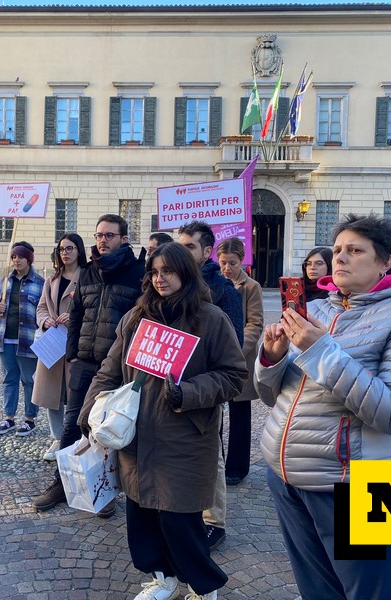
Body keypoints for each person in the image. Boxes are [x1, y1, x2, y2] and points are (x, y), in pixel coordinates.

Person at [257, 213, 391, 600]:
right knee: (320, 592)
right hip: (293, 478)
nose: (340, 257)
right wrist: (271, 357)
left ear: (386, 262)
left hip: (380, 484)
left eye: (355, 250)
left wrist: (320, 349)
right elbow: (271, 396)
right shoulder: (320, 309)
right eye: (339, 249)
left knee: (376, 594)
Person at [79, 243, 247, 600]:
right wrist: (88, 415)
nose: (160, 278)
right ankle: (164, 578)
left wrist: (187, 392)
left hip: (185, 438)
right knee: (142, 518)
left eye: (168, 271)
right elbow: (109, 370)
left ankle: (204, 588)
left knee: (179, 522)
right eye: (154, 272)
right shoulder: (135, 318)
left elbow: (233, 375)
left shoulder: (210, 319)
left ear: (185, 273)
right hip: (136, 438)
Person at [32, 214, 146, 516]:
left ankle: (105, 492)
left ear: (124, 238)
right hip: (83, 361)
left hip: (116, 368)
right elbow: (77, 313)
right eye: (98, 235)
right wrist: (73, 353)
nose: (102, 241)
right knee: (72, 426)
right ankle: (60, 482)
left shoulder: (138, 273)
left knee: (108, 430)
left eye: (109, 235)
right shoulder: (89, 272)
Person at [177, 220, 243, 547]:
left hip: (204, 387)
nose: (183, 252)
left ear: (206, 251)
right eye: (181, 245)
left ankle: (214, 520)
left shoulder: (224, 291)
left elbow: (234, 348)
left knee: (211, 454)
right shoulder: (173, 284)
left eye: (190, 246)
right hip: (175, 388)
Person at [31, 233, 85, 461]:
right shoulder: (52, 279)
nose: (65, 252)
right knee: (51, 394)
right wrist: (45, 320)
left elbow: (91, 308)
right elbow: (42, 307)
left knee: (75, 394)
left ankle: (76, 438)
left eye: (70, 248)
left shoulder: (87, 277)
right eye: (62, 249)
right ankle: (56, 438)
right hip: (53, 342)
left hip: (76, 343)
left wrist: (73, 316)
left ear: (79, 250)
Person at [216, 237, 264, 485]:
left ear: (241, 261)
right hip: (216, 358)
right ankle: (217, 462)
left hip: (241, 358)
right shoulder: (214, 283)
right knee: (215, 414)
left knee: (240, 415)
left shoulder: (251, 287)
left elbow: (255, 323)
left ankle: (237, 467)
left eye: (232, 263)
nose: (227, 268)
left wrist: (237, 349)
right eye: (223, 262)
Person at [0, 241, 45, 436]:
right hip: (5, 338)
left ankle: (30, 419)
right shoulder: (5, 281)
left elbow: (44, 309)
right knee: (9, 379)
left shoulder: (40, 283)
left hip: (28, 340)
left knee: (28, 380)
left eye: (20, 256)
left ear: (29, 259)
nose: (16, 260)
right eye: (14, 256)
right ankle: (9, 418)